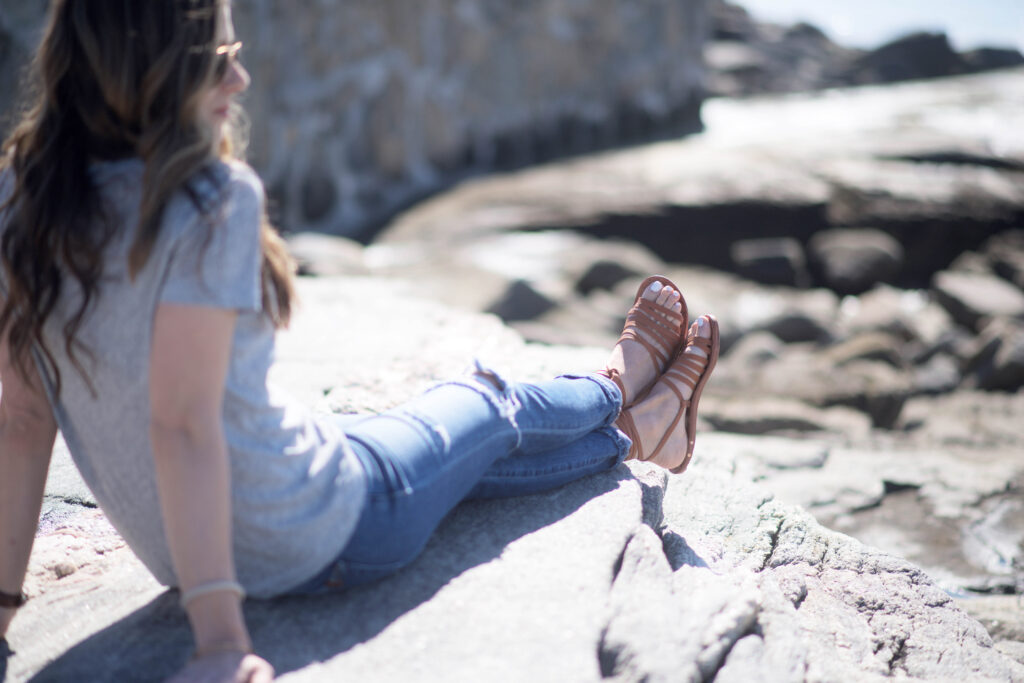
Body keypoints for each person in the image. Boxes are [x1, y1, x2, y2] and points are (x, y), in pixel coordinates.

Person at [0, 1, 720, 681]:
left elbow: (23, 419)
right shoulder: (209, 200)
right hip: (325, 532)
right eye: (215, 58)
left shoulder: (20, 197)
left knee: (466, 461)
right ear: (146, 68)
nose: (239, 79)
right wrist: (220, 642)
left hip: (190, 550)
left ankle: (638, 432)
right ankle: (620, 384)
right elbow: (183, 425)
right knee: (486, 404)